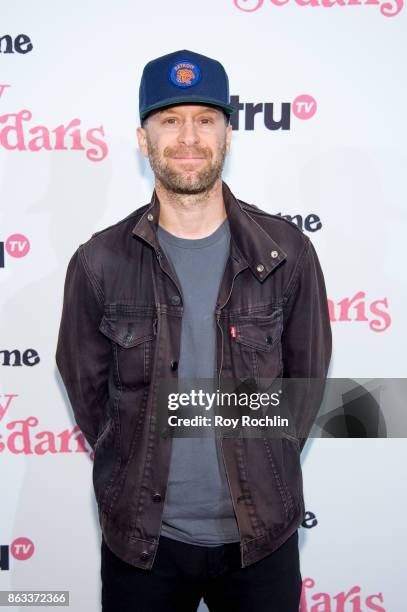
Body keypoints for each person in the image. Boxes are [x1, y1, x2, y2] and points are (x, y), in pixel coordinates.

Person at [56, 49, 332, 612]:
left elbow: (302, 392)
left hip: (261, 540)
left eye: (205, 120)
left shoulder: (287, 254)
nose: (188, 137)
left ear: (229, 135)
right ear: (143, 138)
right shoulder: (98, 262)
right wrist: (134, 452)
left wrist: (262, 457)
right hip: (142, 544)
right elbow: (89, 396)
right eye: (169, 120)